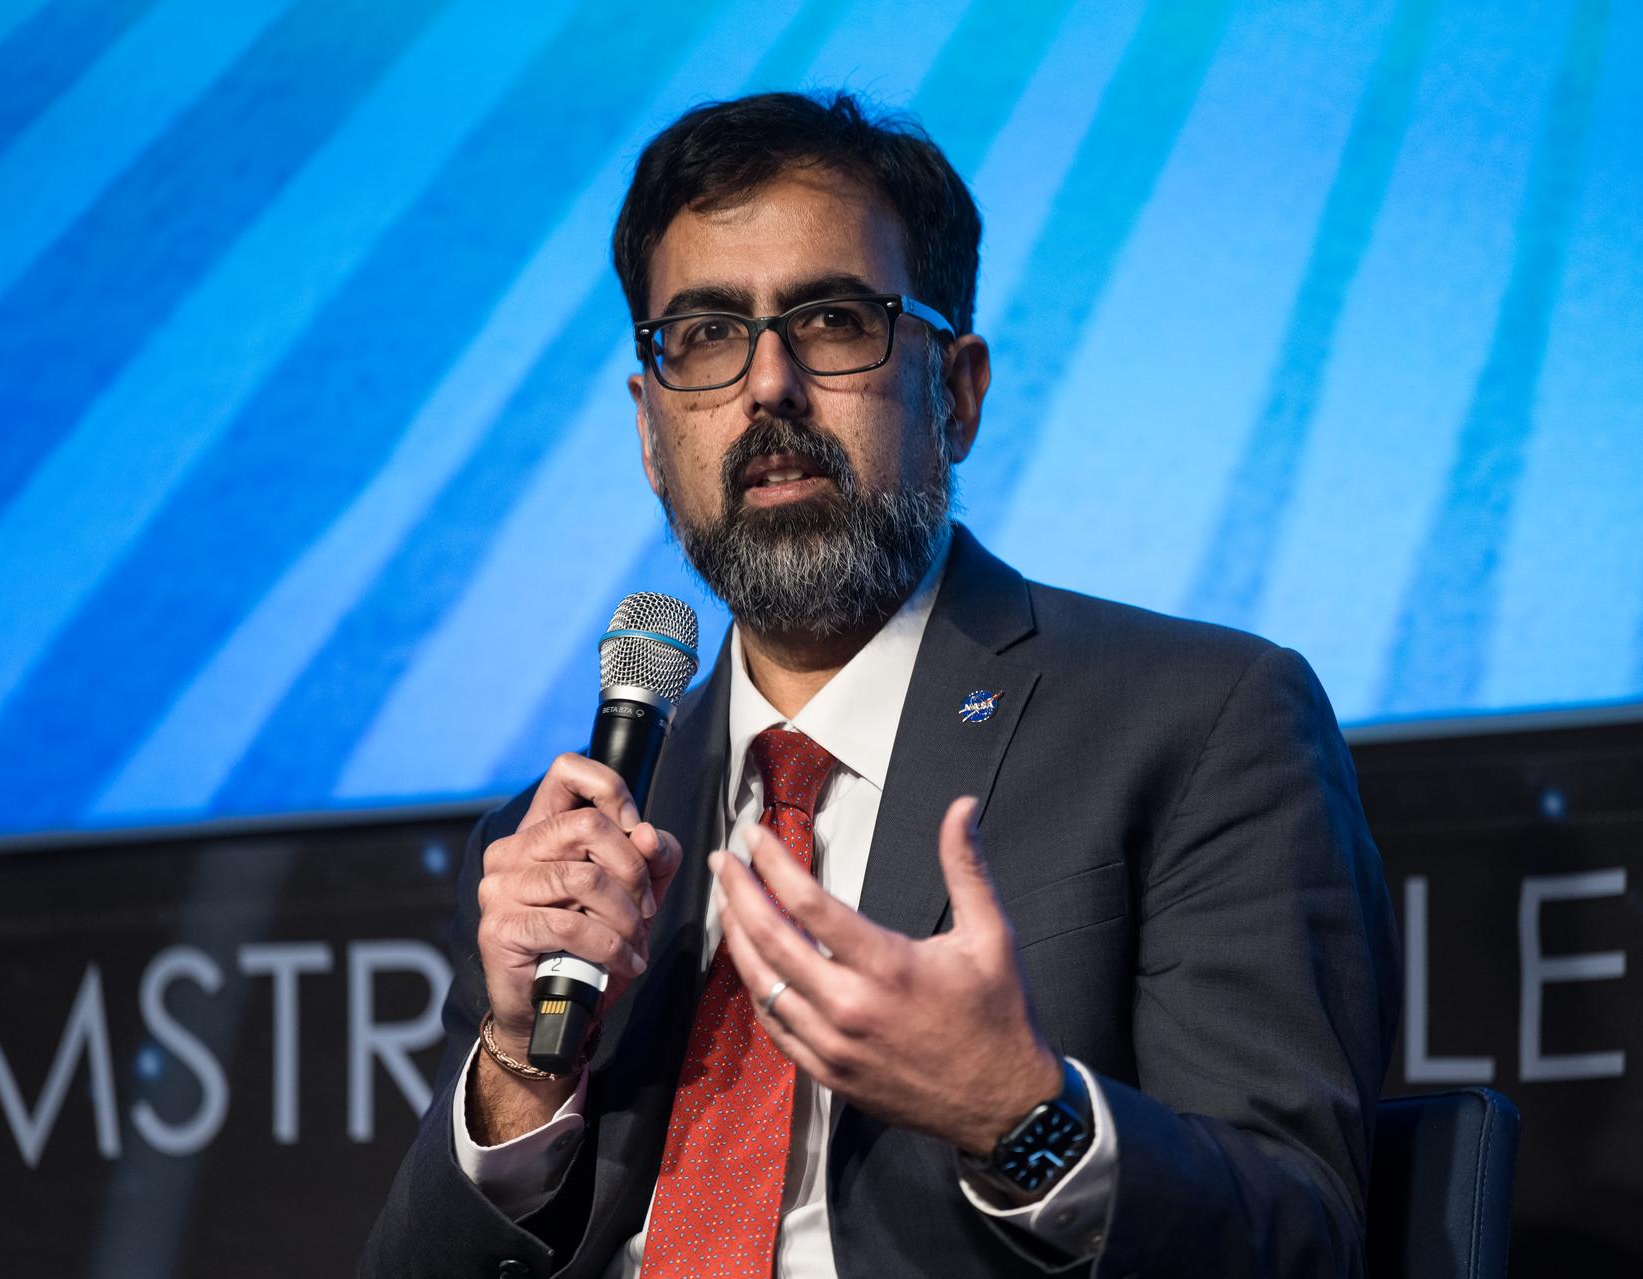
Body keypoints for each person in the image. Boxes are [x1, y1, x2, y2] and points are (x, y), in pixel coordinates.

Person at [361, 91, 1400, 1278]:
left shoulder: (1202, 723)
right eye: (704, 335)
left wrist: (1020, 1112)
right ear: (651, 435)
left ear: (954, 394)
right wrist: (517, 1074)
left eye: (835, 319)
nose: (768, 387)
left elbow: (1304, 1237)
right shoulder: (569, 851)